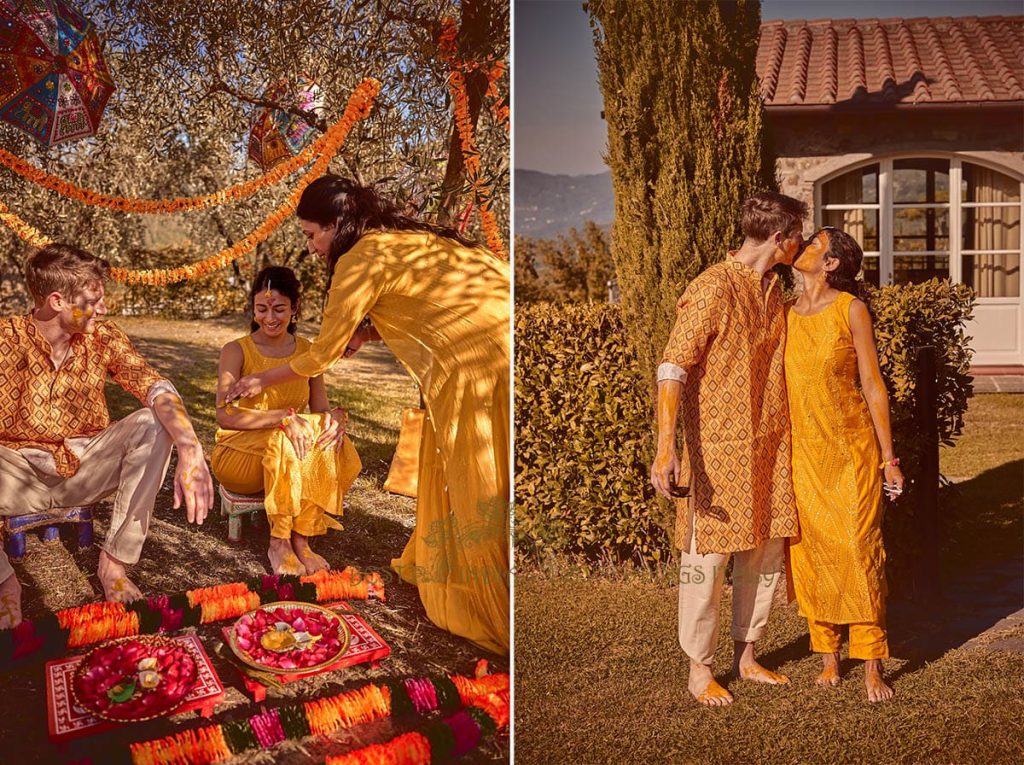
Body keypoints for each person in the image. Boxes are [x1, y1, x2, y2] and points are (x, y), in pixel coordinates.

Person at [225, 175, 510, 655]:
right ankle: (455, 565)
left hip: (475, 369)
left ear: (336, 226)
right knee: (478, 471)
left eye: (312, 235)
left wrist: (259, 381)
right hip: (500, 347)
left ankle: (489, 597)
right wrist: (369, 338)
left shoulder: (358, 259)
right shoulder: (407, 241)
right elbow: (430, 310)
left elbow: (319, 357)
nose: (313, 249)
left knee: (476, 478)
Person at [0, 243, 213, 628]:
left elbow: (155, 385)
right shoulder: (5, 338)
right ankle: (5, 585)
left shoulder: (105, 337)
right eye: (94, 300)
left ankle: (113, 565)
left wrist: (191, 446)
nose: (103, 308)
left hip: (87, 466)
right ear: (57, 300)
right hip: (14, 471)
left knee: (153, 423)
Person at [650, 191, 806, 706]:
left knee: (763, 551)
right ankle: (700, 668)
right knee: (707, 560)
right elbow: (673, 366)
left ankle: (747, 654)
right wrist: (665, 446)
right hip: (714, 450)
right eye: (797, 234)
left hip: (768, 446)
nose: (800, 242)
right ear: (779, 238)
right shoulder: (713, 286)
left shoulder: (773, 290)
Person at [785, 226, 903, 703]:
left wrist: (888, 458)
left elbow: (873, 386)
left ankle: (872, 662)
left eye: (813, 244)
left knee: (858, 549)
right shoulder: (785, 314)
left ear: (831, 262)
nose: (803, 248)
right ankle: (828, 654)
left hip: (852, 452)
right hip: (804, 455)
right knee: (812, 555)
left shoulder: (851, 310)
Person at [212, 266, 360, 576]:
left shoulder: (308, 352)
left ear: (295, 308)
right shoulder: (236, 351)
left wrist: (334, 419)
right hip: (240, 457)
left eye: (279, 308)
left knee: (322, 431)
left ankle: (301, 539)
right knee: (287, 435)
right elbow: (225, 415)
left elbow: (320, 408)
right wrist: (282, 418)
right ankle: (278, 541)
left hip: (293, 450)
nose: (269, 317)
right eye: (261, 309)